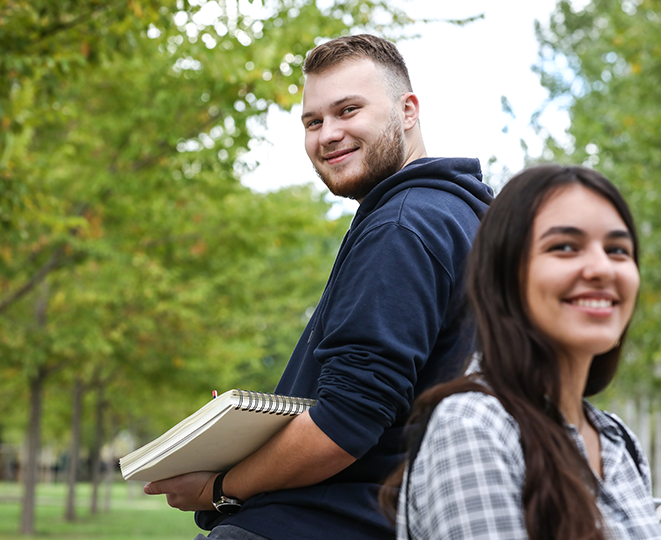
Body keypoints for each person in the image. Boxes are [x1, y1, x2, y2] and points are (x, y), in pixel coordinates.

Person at [143, 34, 493, 540]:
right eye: (313, 121)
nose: (328, 134)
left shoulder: (401, 226)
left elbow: (348, 420)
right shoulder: (459, 215)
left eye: (348, 110)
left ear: (408, 110)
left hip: (327, 521)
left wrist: (220, 486)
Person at [384, 165, 661, 540]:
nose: (601, 268)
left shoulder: (617, 440)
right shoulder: (473, 425)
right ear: (504, 277)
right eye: (564, 246)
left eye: (618, 250)